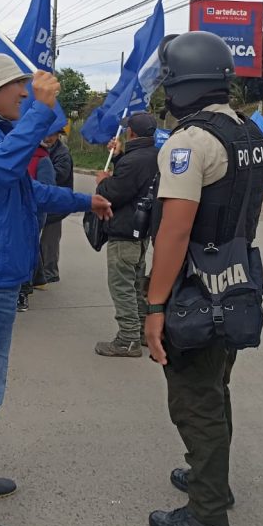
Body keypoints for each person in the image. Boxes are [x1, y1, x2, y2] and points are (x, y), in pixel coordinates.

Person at [0, 54, 110, 526]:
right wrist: (40, 109)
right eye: (17, 85)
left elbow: (26, 192)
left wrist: (83, 200)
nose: (24, 92)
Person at [144, 31, 263, 526]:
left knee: (195, 398)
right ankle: (211, 479)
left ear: (179, 85)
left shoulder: (188, 143)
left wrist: (155, 307)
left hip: (194, 289)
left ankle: (206, 514)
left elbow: (174, 231)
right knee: (217, 386)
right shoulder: (251, 132)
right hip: (235, 284)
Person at [94, 111, 160, 358]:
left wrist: (102, 181)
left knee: (122, 286)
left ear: (131, 132)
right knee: (135, 284)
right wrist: (119, 156)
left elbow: (113, 192)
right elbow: (135, 182)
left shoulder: (135, 161)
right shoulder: (153, 155)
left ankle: (128, 338)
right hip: (141, 231)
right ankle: (141, 331)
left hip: (124, 231)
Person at [18, 140, 55, 310]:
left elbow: (47, 190)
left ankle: (23, 292)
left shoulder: (42, 160)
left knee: (25, 252)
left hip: (33, 215)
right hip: (12, 214)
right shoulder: (15, 156)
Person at [40, 129, 73, 285]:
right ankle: (39, 273)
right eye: (46, 133)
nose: (48, 137)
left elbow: (60, 175)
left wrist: (41, 172)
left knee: (49, 242)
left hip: (55, 204)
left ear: (58, 135)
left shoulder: (62, 153)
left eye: (52, 134)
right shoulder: (40, 149)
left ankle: (50, 273)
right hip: (43, 202)